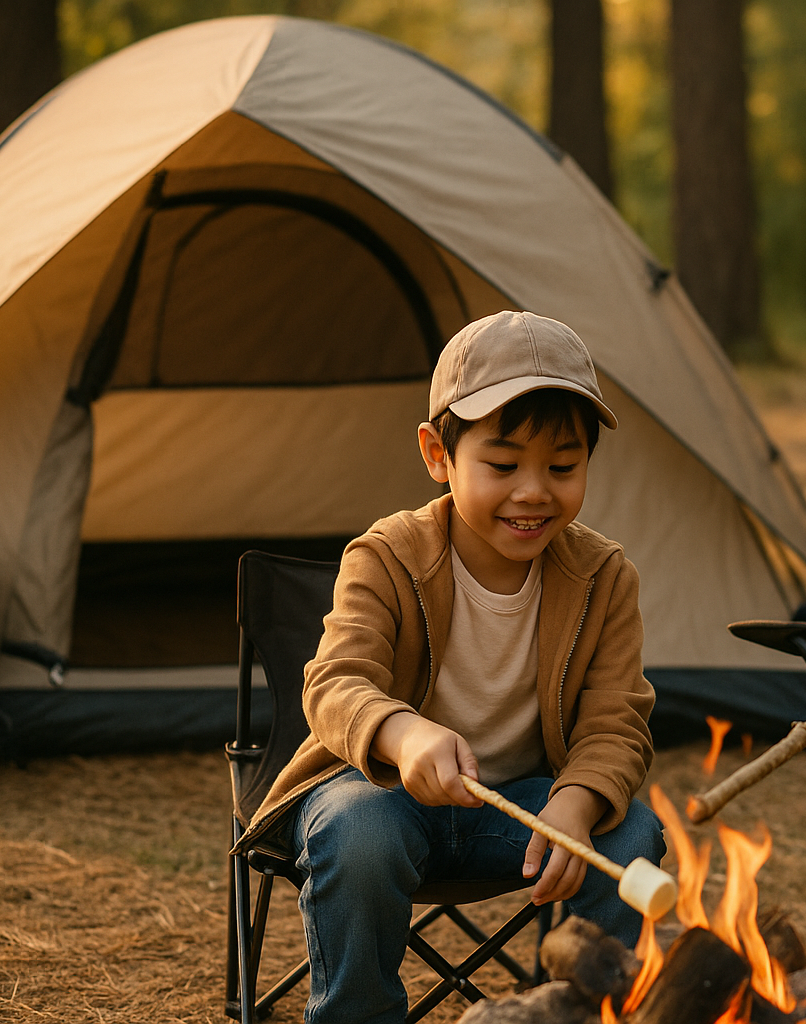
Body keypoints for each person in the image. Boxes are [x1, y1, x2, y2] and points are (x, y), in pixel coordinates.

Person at [234, 310, 665, 1024]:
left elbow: (616, 721)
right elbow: (335, 682)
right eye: (503, 465)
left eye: (562, 467)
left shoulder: (604, 577)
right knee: (359, 832)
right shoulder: (387, 556)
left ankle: (583, 1012)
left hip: (521, 809)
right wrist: (402, 734)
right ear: (438, 455)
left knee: (632, 838)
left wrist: (578, 800)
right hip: (381, 797)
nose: (534, 491)